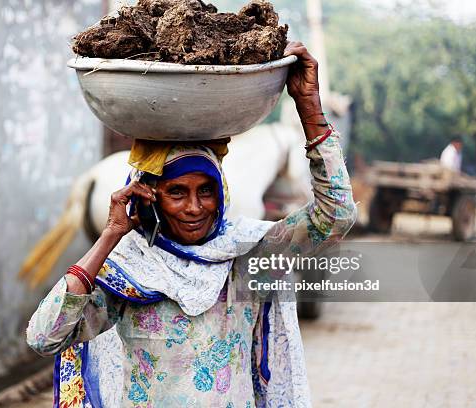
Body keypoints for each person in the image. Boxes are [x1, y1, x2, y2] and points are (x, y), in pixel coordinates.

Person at [26, 42, 356, 408]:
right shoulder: (130, 274)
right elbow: (44, 337)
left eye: (206, 191)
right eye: (177, 192)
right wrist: (110, 236)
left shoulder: (247, 256)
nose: (195, 207)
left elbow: (336, 215)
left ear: (222, 194)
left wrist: (308, 105)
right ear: (152, 197)